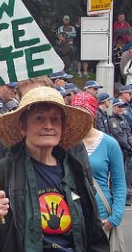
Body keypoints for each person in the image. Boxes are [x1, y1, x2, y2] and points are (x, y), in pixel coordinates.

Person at [0, 86, 109, 252]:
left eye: (55, 119)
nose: (48, 126)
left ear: (62, 127)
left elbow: (95, 236)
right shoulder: (4, 172)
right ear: (23, 127)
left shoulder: (75, 172)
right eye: (39, 119)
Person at [72, 92, 127, 242]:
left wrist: (114, 218)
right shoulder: (66, 143)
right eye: (75, 114)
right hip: (73, 218)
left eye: (84, 114)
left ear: (93, 115)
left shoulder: (110, 144)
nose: (79, 119)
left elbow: (119, 184)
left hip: (102, 218)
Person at [108, 98, 132, 207]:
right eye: (119, 106)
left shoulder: (123, 119)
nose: (121, 108)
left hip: (126, 150)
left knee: (125, 174)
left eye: (122, 106)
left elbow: (129, 134)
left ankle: (125, 196)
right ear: (114, 107)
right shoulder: (113, 120)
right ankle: (115, 196)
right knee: (117, 174)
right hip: (119, 150)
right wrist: (129, 147)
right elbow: (119, 137)